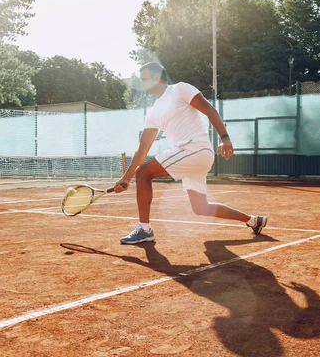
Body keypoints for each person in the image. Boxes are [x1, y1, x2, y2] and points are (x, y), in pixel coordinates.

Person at [114, 62, 267, 244]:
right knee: (201, 207)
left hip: (194, 149)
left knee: (144, 173)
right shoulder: (153, 112)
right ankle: (253, 220)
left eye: (144, 79)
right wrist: (126, 177)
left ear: (156, 77)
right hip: (191, 156)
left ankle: (144, 229)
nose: (142, 84)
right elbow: (143, 147)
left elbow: (209, 109)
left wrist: (224, 137)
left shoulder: (180, 89)